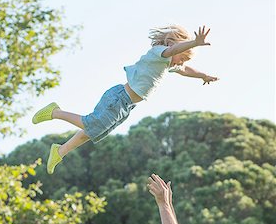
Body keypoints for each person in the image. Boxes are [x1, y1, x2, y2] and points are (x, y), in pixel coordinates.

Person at [32, 25, 218, 174]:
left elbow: (185, 70)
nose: (181, 63)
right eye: (183, 58)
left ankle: (60, 151)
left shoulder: (168, 63)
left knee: (95, 131)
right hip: (119, 98)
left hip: (127, 105)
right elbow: (174, 50)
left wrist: (203, 76)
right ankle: (55, 112)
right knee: (92, 124)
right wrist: (194, 42)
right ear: (173, 47)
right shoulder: (158, 53)